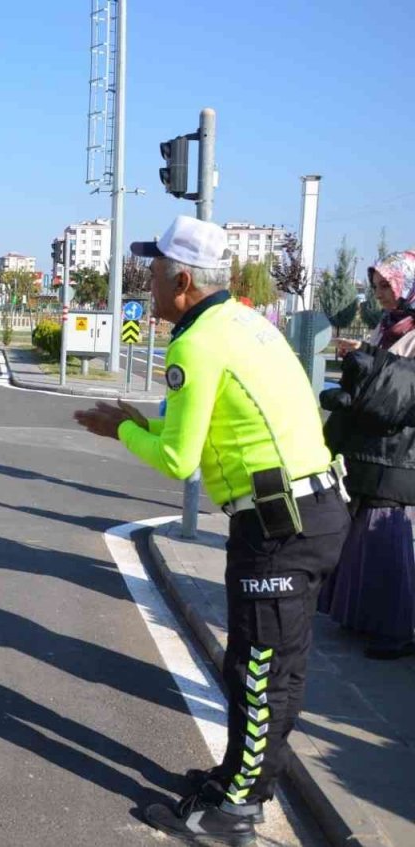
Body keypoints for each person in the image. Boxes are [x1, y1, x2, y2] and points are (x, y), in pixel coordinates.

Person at [73, 215, 349, 845]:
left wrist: (120, 429)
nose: (147, 280)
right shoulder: (248, 322)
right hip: (313, 512)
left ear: (185, 280)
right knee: (276, 667)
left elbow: (178, 460)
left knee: (258, 671)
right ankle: (241, 781)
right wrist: (143, 423)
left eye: (155, 269)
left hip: (280, 527)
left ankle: (236, 812)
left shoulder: (195, 343)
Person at [320, 250, 415, 660]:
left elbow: (401, 390)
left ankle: (397, 627)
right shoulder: (386, 326)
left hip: (399, 449)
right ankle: (363, 616)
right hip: (371, 445)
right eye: (376, 286)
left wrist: (366, 369)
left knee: (386, 536)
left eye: (387, 286)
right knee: (362, 532)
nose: (380, 294)